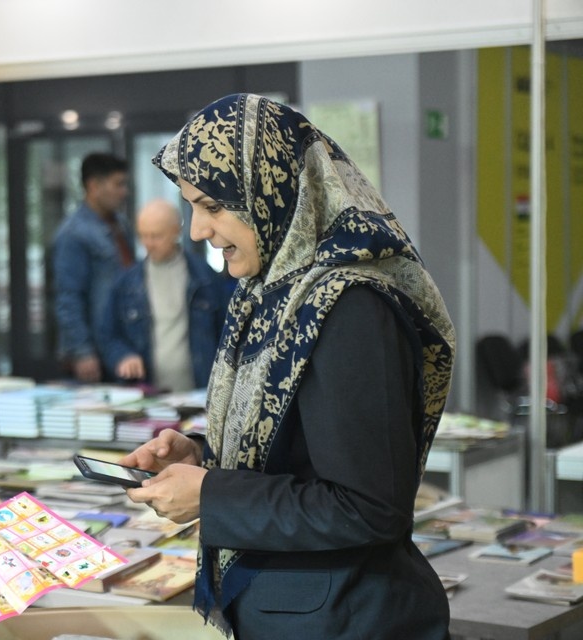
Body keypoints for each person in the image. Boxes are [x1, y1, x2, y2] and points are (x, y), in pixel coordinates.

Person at [119, 94, 456, 639]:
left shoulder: (349, 307)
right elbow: (302, 450)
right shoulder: (269, 293)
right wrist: (205, 457)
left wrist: (211, 494)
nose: (197, 231)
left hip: (348, 621)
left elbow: (367, 505)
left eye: (211, 205)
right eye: (191, 208)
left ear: (269, 192)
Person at [99, 198, 230, 391]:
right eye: (143, 236)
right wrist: (122, 356)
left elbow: (227, 334)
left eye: (156, 236)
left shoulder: (205, 278)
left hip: (200, 393)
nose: (148, 243)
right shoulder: (125, 284)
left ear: (176, 230)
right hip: (148, 396)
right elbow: (108, 336)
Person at [52, 152, 133, 382]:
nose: (124, 192)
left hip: (120, 346)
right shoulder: (73, 234)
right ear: (94, 186)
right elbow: (68, 299)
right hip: (95, 354)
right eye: (118, 184)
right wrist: (82, 352)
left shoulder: (120, 225)